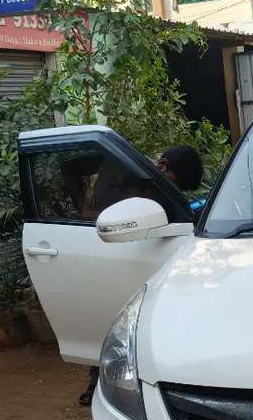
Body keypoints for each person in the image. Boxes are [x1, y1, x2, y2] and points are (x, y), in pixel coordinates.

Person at [78, 144, 205, 406]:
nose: (172, 190)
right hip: (111, 249)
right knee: (118, 318)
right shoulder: (133, 177)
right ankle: (100, 378)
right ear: (163, 166)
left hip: (135, 252)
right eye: (174, 183)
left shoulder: (145, 177)